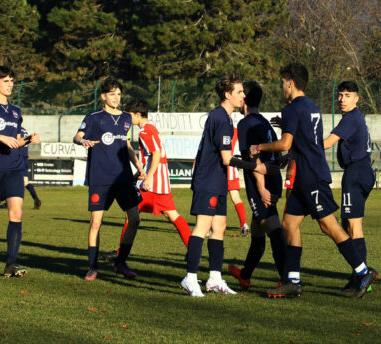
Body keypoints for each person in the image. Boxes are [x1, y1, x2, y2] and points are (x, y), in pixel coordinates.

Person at [250, 63, 377, 298]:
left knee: (329, 225)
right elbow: (308, 141)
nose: (281, 86)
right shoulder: (311, 106)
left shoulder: (291, 108)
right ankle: (293, 281)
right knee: (289, 225)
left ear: (290, 82)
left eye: (282, 82)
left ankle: (362, 271)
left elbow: (286, 143)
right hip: (304, 176)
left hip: (310, 176)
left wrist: (260, 147)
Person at [180, 75, 272, 297]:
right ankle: (190, 278)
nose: (243, 96)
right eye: (239, 92)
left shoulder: (226, 118)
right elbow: (226, 158)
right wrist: (254, 167)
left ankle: (214, 279)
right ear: (227, 94)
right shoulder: (220, 118)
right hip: (208, 180)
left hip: (218, 180)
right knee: (202, 227)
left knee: (219, 228)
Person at [73, 78, 145, 281]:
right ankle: (92, 266)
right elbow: (77, 137)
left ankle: (121, 263)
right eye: (112, 94)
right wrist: (83, 140)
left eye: (119, 94)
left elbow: (127, 145)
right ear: (103, 96)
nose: (116, 98)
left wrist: (138, 165)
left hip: (123, 178)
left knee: (135, 219)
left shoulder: (125, 118)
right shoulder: (94, 117)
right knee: (96, 222)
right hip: (100, 178)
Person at [101, 99, 192, 261]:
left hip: (152, 184)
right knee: (171, 215)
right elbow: (154, 154)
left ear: (137, 114)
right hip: (159, 180)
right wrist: (140, 172)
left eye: (129, 115)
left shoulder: (144, 132)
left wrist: (148, 177)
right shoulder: (151, 129)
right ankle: (194, 249)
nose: (128, 119)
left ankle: (121, 255)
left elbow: (156, 153)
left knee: (132, 216)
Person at [0, 65, 40, 277]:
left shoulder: (16, 111)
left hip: (14, 168)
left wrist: (29, 139)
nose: (10, 84)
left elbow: (16, 142)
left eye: (12, 80)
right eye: (5, 81)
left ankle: (11, 263)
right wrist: (0, 137)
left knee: (17, 214)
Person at [228, 81, 287, 289]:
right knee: (257, 231)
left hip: (260, 184)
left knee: (272, 227)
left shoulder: (245, 125)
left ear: (244, 99)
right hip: (273, 179)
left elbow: (254, 161)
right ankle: (245, 274)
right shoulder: (264, 121)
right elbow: (275, 155)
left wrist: (261, 188)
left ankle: (286, 278)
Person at [323, 81, 377, 292]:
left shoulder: (351, 118)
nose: (342, 99)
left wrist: (300, 145)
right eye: (340, 95)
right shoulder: (353, 117)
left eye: (347, 95)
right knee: (350, 225)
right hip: (361, 171)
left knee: (353, 228)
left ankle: (362, 277)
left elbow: (327, 143)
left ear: (356, 98)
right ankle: (358, 275)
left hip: (356, 172)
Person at [1, 127, 42, 210]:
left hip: (17, 158)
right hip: (24, 157)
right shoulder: (24, 130)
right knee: (25, 181)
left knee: (9, 179)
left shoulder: (15, 130)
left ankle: (9, 202)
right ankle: (36, 199)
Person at [227, 128, 250, 237]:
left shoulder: (218, 128)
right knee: (236, 197)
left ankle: (209, 227)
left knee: (214, 198)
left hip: (220, 167)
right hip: (232, 167)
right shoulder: (237, 130)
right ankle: (244, 224)